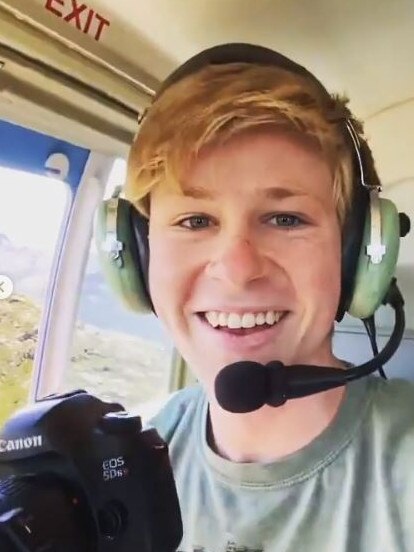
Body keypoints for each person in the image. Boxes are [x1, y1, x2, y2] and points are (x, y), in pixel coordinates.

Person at [124, 44, 414, 551]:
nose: (238, 270)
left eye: (286, 219)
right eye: (195, 221)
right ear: (137, 255)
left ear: (358, 255)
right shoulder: (134, 463)